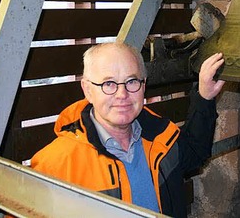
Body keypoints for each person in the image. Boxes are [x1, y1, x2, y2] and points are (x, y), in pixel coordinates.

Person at [30, 41, 225, 217]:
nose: (122, 94)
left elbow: (194, 152)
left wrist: (204, 97)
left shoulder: (160, 138)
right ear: (87, 90)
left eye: (131, 81)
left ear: (143, 86)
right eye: (109, 83)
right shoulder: (55, 165)